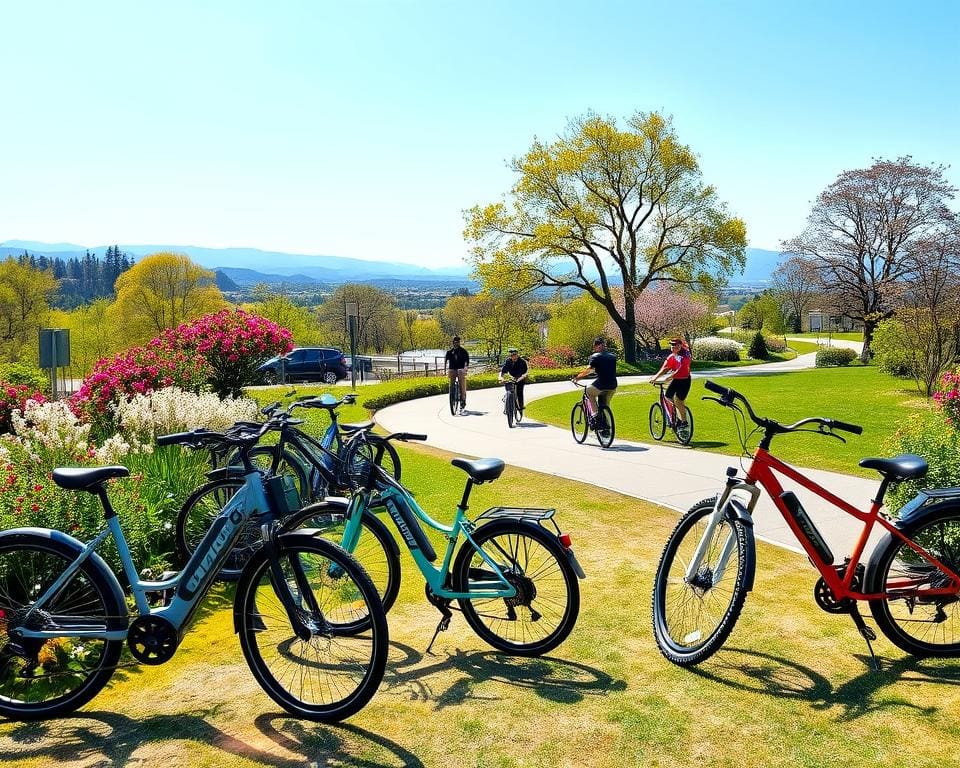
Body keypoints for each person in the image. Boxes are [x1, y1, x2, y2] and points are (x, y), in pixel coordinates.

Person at [572, 337, 618, 430]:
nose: (595, 349)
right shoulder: (612, 356)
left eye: (595, 347)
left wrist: (577, 378)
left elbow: (589, 370)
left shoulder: (595, 356)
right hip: (612, 385)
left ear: (599, 346)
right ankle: (606, 427)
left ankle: (595, 416)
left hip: (601, 384)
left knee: (588, 391)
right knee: (605, 404)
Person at [651, 336, 692, 427]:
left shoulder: (685, 356)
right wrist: (655, 377)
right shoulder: (672, 356)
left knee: (679, 401)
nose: (674, 349)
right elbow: (665, 367)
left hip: (684, 380)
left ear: (681, 347)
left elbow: (681, 370)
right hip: (676, 380)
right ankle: (674, 417)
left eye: (676, 347)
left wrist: (668, 377)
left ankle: (684, 422)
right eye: (672, 347)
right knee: (668, 397)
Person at [444, 336, 469, 412]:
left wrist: (465, 368)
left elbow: (466, 361)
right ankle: (452, 393)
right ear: (453, 343)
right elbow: (445, 361)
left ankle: (462, 399)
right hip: (453, 369)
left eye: (457, 342)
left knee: (461, 380)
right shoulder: (449, 352)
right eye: (455, 342)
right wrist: (445, 370)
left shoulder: (463, 351)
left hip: (461, 369)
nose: (456, 343)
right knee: (451, 375)